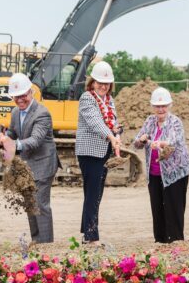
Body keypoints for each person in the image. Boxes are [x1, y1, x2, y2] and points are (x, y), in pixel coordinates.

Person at [0, 73, 61, 243]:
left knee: (40, 205)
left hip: (43, 164)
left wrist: (13, 145)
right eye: (16, 97)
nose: (20, 100)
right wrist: (4, 132)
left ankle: (46, 245)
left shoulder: (42, 113)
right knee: (30, 205)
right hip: (28, 165)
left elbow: (35, 140)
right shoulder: (16, 111)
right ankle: (37, 241)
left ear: (31, 92)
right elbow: (13, 131)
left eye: (23, 95)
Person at [133, 87, 189, 243]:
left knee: (174, 209)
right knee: (157, 208)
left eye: (164, 105)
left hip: (175, 173)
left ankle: (176, 241)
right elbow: (136, 143)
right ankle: (160, 241)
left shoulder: (175, 122)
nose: (161, 109)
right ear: (153, 107)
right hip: (154, 173)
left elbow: (173, 142)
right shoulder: (150, 121)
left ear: (170, 105)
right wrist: (142, 139)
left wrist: (157, 143)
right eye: (158, 106)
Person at [75, 61, 122, 244]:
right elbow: (96, 122)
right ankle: (91, 236)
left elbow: (112, 122)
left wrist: (117, 131)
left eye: (107, 83)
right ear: (92, 82)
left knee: (96, 194)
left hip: (104, 152)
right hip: (90, 153)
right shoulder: (87, 98)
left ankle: (86, 229)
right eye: (100, 82)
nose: (103, 86)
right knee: (93, 193)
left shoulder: (109, 101)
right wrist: (111, 136)